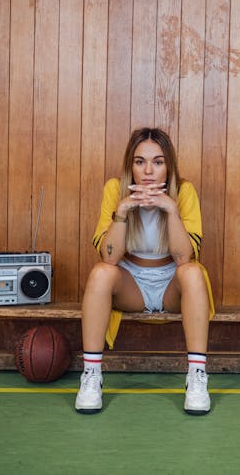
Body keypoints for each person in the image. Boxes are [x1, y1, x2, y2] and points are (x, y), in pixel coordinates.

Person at [75, 127, 214, 415]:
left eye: (158, 162)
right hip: (132, 284)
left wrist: (171, 211)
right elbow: (109, 257)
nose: (148, 170)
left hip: (170, 285)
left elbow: (184, 257)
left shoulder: (184, 191)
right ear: (131, 165)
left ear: (169, 166)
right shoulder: (115, 189)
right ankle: (91, 376)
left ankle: (197, 377)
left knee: (193, 273)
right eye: (140, 162)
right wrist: (123, 212)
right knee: (101, 272)